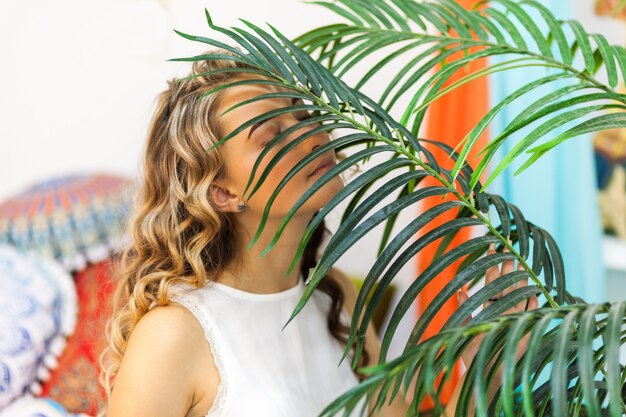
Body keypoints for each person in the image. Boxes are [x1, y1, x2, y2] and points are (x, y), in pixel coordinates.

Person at [99, 47, 538, 417]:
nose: (311, 134)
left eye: (304, 113)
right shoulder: (173, 337)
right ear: (221, 193)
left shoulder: (335, 298)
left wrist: (491, 364)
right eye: (272, 135)